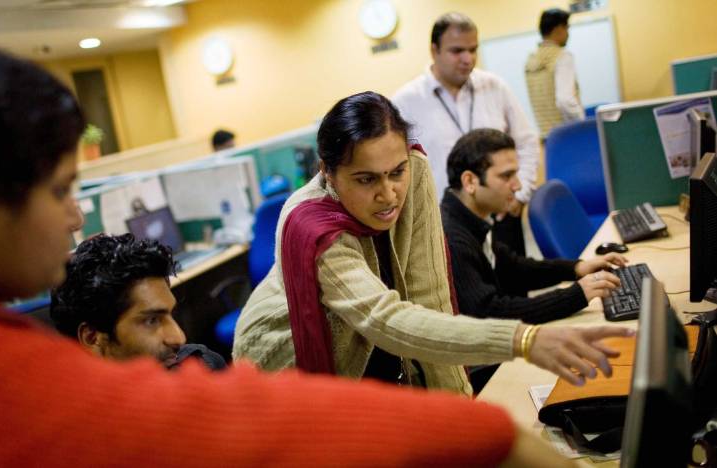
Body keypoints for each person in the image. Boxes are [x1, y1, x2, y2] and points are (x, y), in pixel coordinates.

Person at [0, 48, 579, 467]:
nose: (75, 216)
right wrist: (485, 424)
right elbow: (227, 418)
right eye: (63, 190)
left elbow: (423, 296)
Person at [233, 90, 632, 394]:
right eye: (366, 179)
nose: (389, 194)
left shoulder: (416, 170)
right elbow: (385, 319)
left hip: (375, 340)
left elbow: (429, 296)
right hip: (286, 355)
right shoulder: (311, 225)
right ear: (327, 172)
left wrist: (461, 402)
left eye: (396, 172)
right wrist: (523, 339)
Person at [441, 128, 624, 391]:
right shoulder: (453, 238)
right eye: (506, 176)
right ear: (470, 181)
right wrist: (576, 295)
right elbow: (490, 313)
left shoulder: (471, 219)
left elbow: (513, 266)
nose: (517, 185)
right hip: (477, 373)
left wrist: (576, 268)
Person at [393, 12, 539, 256]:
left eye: (473, 50)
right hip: (444, 226)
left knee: (516, 278)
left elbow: (526, 142)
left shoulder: (495, 87)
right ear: (434, 50)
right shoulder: (405, 102)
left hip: (501, 216)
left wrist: (520, 195)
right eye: (457, 51)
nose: (468, 59)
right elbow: (397, 168)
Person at [50, 233, 225, 370]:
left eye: (171, 314)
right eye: (151, 321)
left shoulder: (204, 365)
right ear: (92, 337)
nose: (179, 337)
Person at [525, 8, 585, 138]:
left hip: (549, 138)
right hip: (569, 135)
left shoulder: (531, 61)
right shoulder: (562, 57)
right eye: (567, 28)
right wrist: (582, 124)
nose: (568, 34)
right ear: (558, 28)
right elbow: (565, 100)